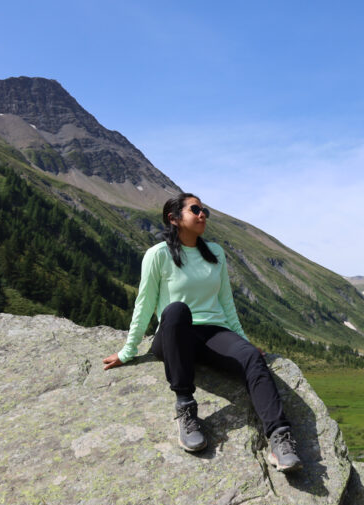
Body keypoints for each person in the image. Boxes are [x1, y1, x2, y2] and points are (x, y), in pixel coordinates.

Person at [102, 193, 301, 472]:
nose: (202, 214)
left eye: (204, 209)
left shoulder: (215, 253)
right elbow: (144, 304)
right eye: (194, 209)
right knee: (176, 310)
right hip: (173, 335)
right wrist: (128, 351)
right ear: (173, 219)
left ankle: (280, 439)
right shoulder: (157, 255)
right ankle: (186, 410)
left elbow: (226, 303)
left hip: (212, 333)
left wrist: (243, 342)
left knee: (251, 359)